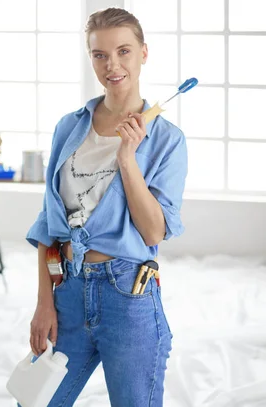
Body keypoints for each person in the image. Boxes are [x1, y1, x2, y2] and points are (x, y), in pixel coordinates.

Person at [25, 7, 187, 407]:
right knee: (34, 400)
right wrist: (45, 302)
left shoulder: (167, 140)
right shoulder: (69, 127)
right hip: (67, 290)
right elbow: (50, 222)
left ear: (144, 53)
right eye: (99, 54)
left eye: (124, 51)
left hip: (127, 296)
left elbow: (153, 232)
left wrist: (127, 159)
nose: (112, 65)